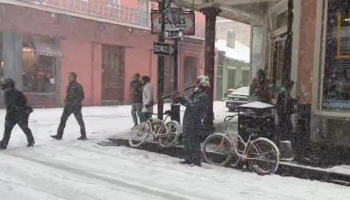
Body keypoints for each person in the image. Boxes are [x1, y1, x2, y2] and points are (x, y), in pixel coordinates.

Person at [176, 76, 210, 167]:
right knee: (186, 140)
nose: (194, 85)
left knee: (194, 141)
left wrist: (185, 98)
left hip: (194, 121)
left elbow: (193, 106)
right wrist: (181, 99)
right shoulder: (197, 94)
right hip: (188, 120)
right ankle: (188, 158)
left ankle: (196, 161)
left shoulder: (203, 96)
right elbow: (188, 105)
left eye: (197, 84)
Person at [0, 78, 35, 149]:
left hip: (20, 115)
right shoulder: (6, 94)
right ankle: (4, 143)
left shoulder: (18, 93)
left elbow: (25, 103)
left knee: (25, 128)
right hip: (11, 115)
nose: (4, 88)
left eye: (6, 86)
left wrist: (22, 109)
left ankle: (31, 141)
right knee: (7, 130)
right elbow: (9, 105)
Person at [51, 72, 86, 140]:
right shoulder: (70, 85)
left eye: (70, 76)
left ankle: (83, 135)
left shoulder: (77, 86)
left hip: (75, 106)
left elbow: (81, 96)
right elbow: (69, 95)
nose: (68, 77)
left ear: (73, 77)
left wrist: (74, 102)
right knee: (63, 120)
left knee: (79, 121)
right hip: (69, 106)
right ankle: (59, 135)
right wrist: (66, 100)